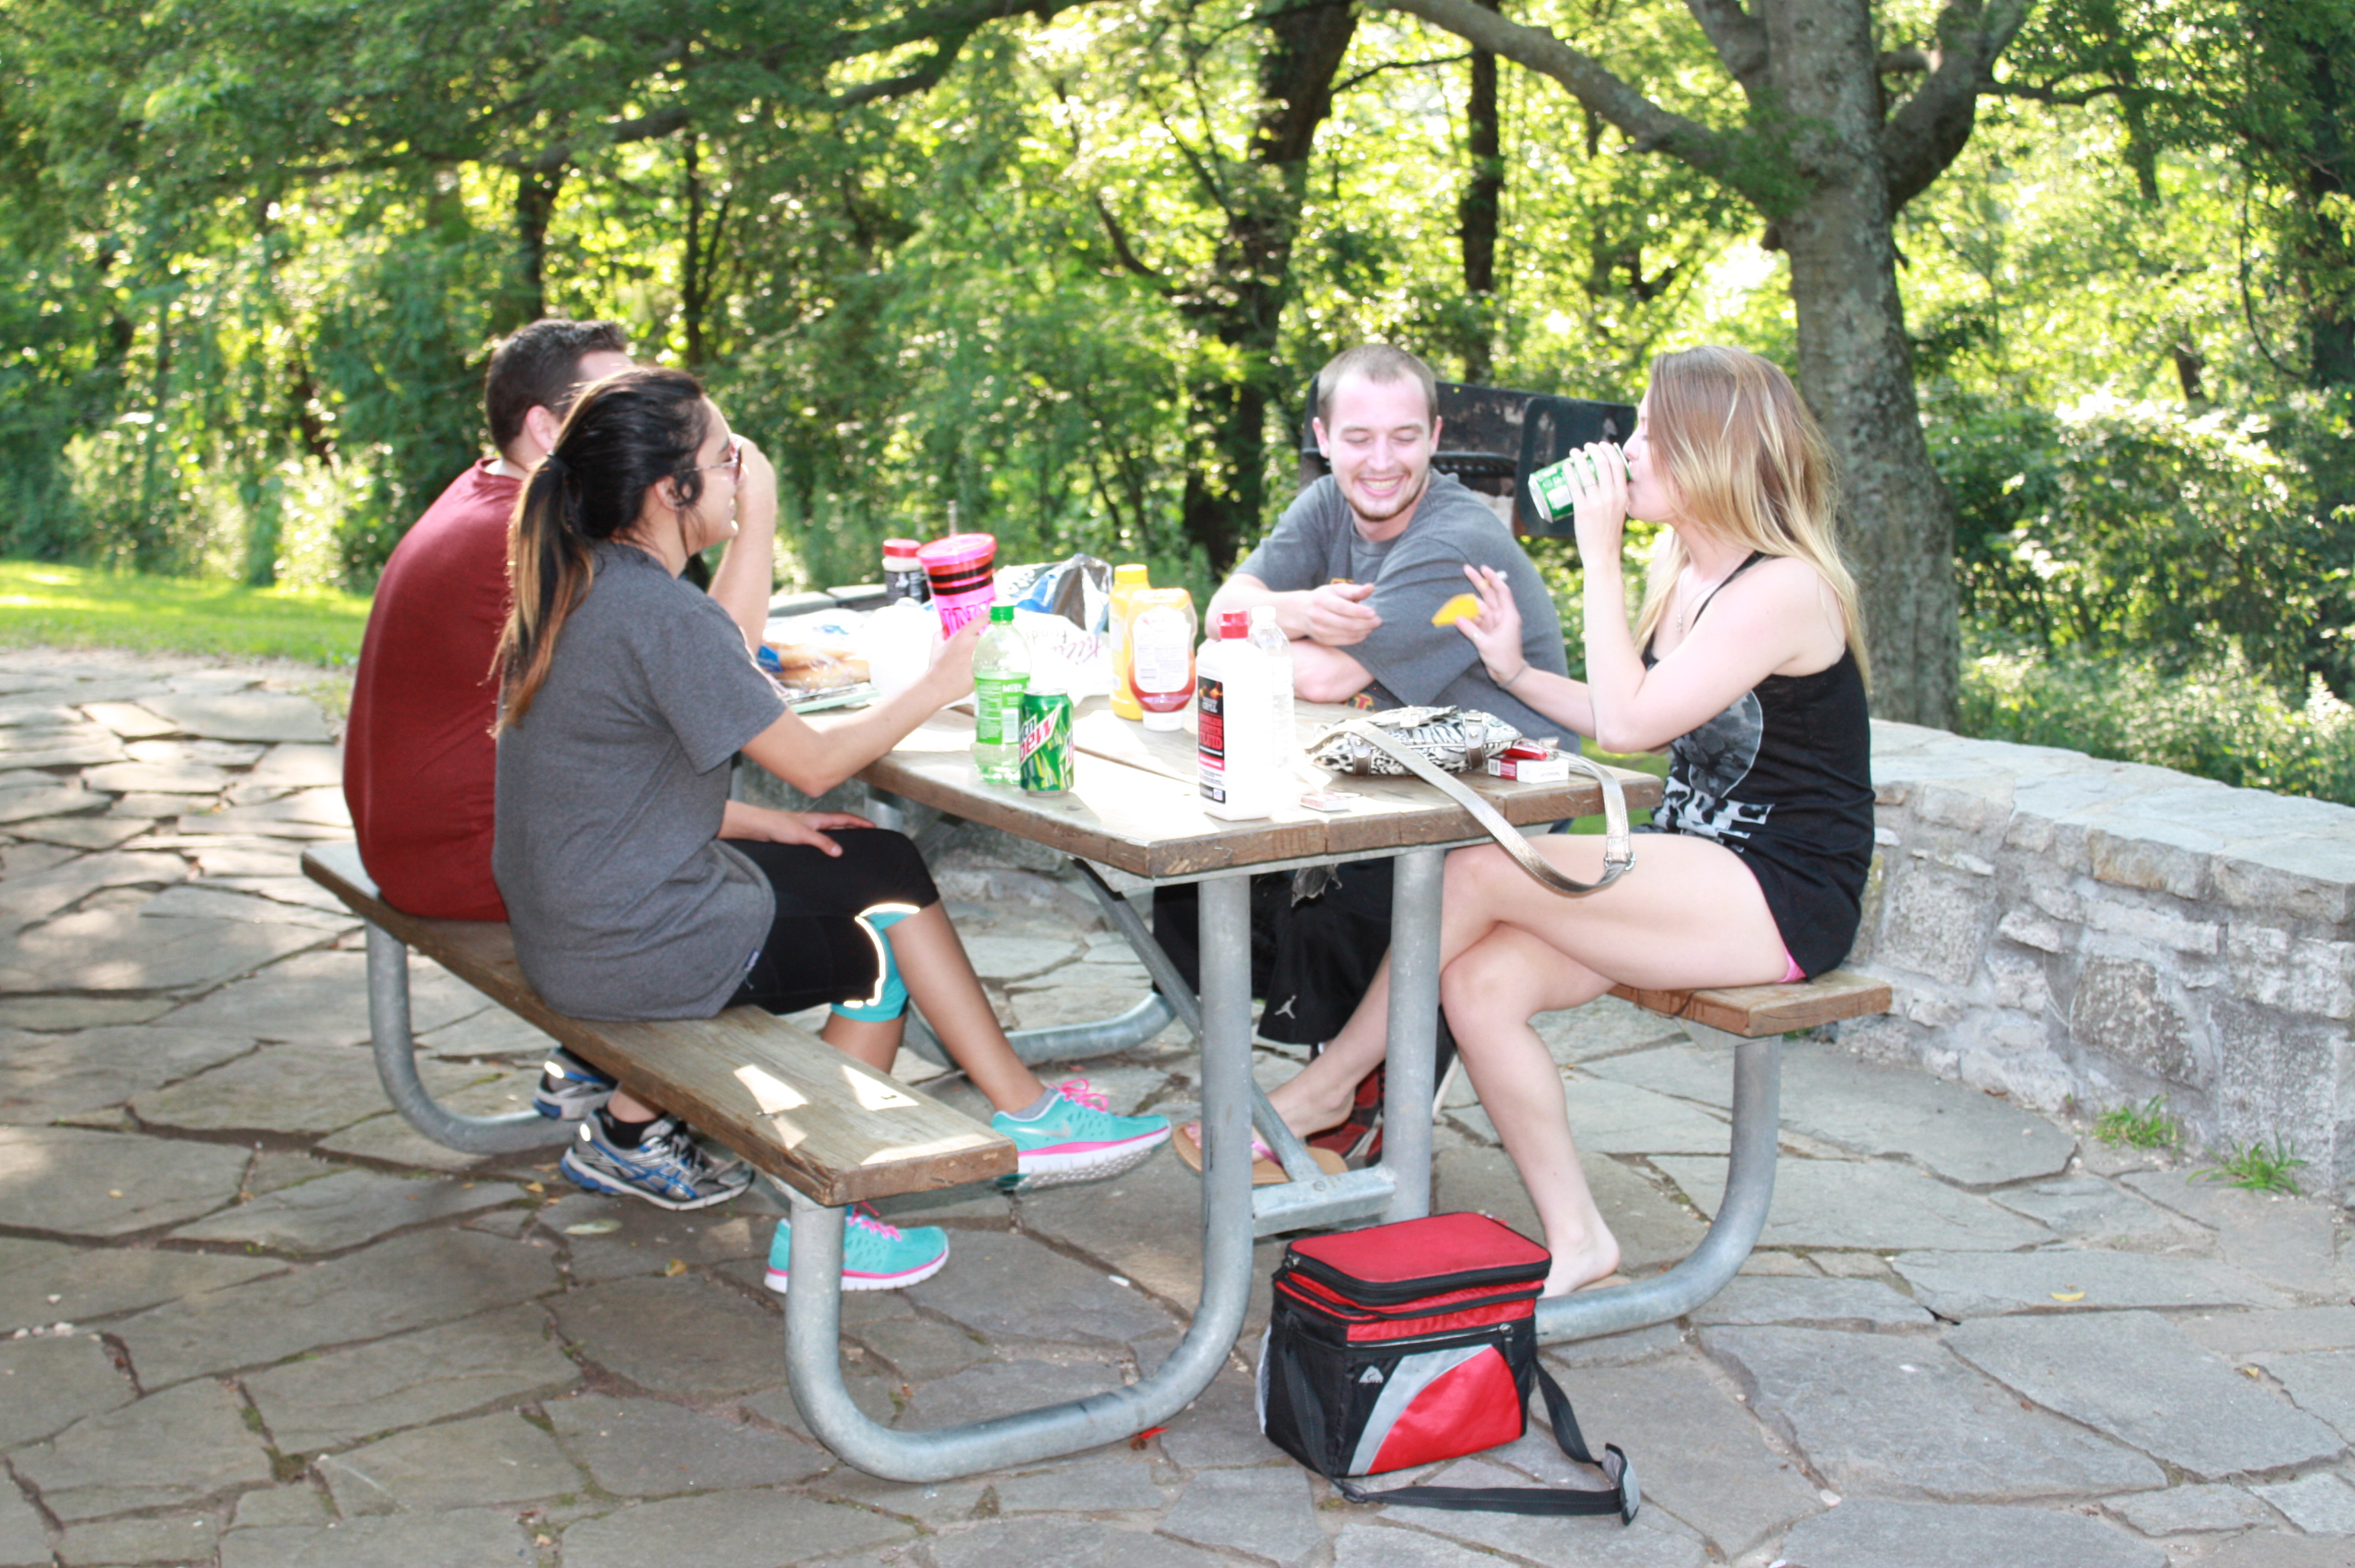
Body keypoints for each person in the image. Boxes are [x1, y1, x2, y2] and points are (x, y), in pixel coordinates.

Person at [489, 366, 1169, 1287]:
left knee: (873, 856)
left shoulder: (585, 587)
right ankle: (836, 1216)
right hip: (631, 944)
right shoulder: (656, 613)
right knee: (874, 945)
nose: (739, 476)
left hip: (577, 925)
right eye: (727, 461)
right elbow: (810, 762)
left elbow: (609, 783)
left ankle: (1022, 1109)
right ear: (671, 488)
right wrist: (943, 681)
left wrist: (760, 823)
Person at [1264, 344, 1875, 1293]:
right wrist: (1512, 672)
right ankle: (1580, 1236)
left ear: (1705, 451)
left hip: (1779, 890)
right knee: (1478, 983)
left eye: (1646, 434)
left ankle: (1331, 1082)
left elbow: (1628, 722)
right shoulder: (1691, 570)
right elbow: (1637, 711)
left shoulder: (1783, 587)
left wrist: (1597, 552)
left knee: (1476, 871)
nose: (1625, 451)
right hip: (1694, 866)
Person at [1156, 343, 1568, 1166]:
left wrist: (1279, 632)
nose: (1380, 461)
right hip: (1394, 777)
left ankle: (1360, 1092)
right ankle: (1350, 1080)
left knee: (1334, 896)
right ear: (1323, 438)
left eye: (1404, 437)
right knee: (1205, 886)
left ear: (1434, 436)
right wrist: (1300, 605)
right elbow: (1222, 612)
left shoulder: (1454, 536)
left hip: (1499, 800)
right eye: (1358, 438)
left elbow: (1327, 674)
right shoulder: (1324, 508)